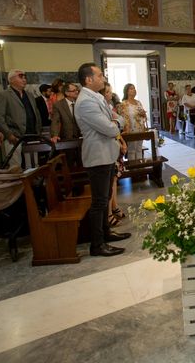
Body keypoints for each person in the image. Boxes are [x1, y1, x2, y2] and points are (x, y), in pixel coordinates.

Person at [74, 63, 130, 257]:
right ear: (88, 79)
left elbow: (118, 119)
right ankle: (97, 245)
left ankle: (106, 234)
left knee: (105, 198)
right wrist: (116, 123)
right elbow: (112, 128)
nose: (103, 79)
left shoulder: (96, 97)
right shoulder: (86, 102)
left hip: (106, 154)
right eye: (99, 76)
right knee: (99, 202)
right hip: (97, 156)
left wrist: (116, 122)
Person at [0, 69, 42, 168]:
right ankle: (18, 183)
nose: (24, 79)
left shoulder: (29, 95)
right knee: (15, 166)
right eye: (21, 77)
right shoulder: (3, 95)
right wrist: (8, 134)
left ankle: (33, 182)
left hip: (31, 135)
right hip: (14, 136)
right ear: (11, 80)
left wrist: (38, 131)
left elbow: (36, 113)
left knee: (33, 165)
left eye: (25, 77)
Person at [99, 82, 126, 227]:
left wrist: (121, 140)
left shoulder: (108, 107)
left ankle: (114, 206)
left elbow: (120, 122)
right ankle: (109, 212)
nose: (111, 94)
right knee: (110, 182)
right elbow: (112, 128)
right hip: (108, 146)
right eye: (108, 92)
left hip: (114, 143)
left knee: (114, 179)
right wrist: (116, 126)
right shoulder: (100, 107)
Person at [117, 83, 147, 161]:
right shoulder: (124, 104)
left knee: (139, 149)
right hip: (130, 129)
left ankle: (140, 167)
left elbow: (143, 114)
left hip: (140, 128)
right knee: (132, 150)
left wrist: (143, 114)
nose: (134, 90)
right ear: (127, 91)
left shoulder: (138, 102)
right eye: (131, 88)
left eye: (134, 88)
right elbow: (122, 117)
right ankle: (133, 169)